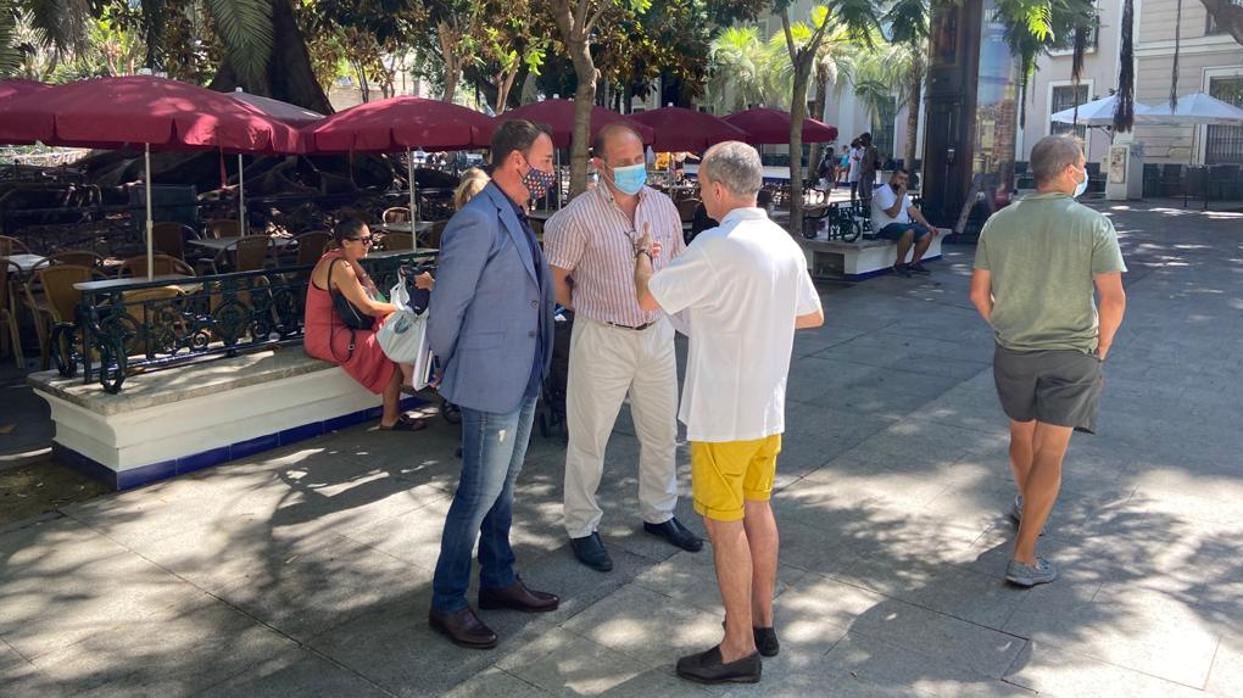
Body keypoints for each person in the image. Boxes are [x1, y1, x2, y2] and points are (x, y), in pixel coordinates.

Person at [634, 141, 824, 684]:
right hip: (766, 409)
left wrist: (643, 254)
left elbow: (650, 298)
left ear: (717, 189)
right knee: (757, 510)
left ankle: (738, 644)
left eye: (701, 187)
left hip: (724, 413)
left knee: (723, 526)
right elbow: (811, 315)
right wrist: (751, 323)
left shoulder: (717, 244)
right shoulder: (782, 242)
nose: (701, 195)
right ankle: (761, 622)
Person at [968, 135, 1127, 588]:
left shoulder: (998, 223)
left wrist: (1004, 325)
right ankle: (1025, 556)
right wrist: (1101, 349)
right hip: (1072, 353)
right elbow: (1113, 299)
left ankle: (1025, 501)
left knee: (1021, 434)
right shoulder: (1093, 224)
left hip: (1014, 350)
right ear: (1069, 169)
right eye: (1081, 165)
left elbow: (978, 294)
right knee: (1051, 454)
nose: (1084, 172)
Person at [426, 119, 560, 649]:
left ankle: (499, 578)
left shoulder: (516, 216)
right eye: (547, 161)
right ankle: (448, 600)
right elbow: (445, 312)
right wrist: (458, 365)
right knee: (477, 495)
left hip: (523, 374)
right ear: (518, 161)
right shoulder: (477, 221)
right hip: (490, 379)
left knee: (503, 489)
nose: (551, 171)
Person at [545, 122, 702, 573]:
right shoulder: (577, 216)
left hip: (655, 333)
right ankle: (581, 524)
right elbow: (556, 278)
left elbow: (677, 265)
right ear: (600, 165)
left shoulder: (664, 207)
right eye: (624, 162)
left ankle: (660, 512)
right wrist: (589, 308)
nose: (635, 169)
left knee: (661, 432)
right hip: (602, 336)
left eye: (640, 159)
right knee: (589, 436)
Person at [303, 218, 430, 432]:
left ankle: (411, 378)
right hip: (326, 337)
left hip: (335, 330)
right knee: (386, 346)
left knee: (387, 335)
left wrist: (366, 279)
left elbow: (363, 279)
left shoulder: (340, 257)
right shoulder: (339, 266)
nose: (370, 244)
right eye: (364, 240)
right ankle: (391, 417)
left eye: (370, 239)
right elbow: (368, 308)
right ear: (345, 242)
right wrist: (400, 309)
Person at [871, 168, 939, 277]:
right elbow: (892, 214)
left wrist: (928, 225)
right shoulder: (883, 192)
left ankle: (914, 263)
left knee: (926, 233)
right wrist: (900, 196)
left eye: (905, 179)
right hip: (884, 227)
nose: (902, 182)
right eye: (900, 178)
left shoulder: (901, 193)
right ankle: (899, 264)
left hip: (902, 226)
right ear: (893, 177)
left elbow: (913, 210)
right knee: (909, 232)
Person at [857, 132, 880, 208]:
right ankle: (864, 207)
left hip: (867, 174)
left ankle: (868, 209)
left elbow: (870, 162)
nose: (861, 142)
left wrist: (863, 172)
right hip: (863, 174)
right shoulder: (866, 149)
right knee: (861, 192)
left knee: (867, 193)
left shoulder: (871, 149)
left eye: (862, 140)